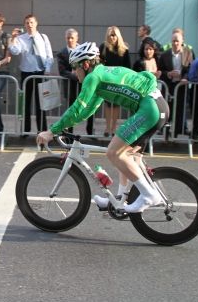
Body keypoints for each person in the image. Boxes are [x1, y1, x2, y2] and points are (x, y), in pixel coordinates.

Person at [36, 42, 168, 214]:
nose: (75, 72)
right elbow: (85, 112)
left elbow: (77, 108)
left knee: (113, 153)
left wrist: (51, 131)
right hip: (157, 106)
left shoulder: (93, 78)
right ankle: (120, 201)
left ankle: (149, 194)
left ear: (85, 64)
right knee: (127, 157)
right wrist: (64, 126)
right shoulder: (100, 76)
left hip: (150, 109)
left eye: (75, 68)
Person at [8, 14, 53, 134]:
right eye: (27, 23)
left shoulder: (43, 37)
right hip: (26, 74)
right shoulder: (21, 38)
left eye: (32, 22)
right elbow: (15, 51)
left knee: (41, 104)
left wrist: (47, 68)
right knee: (25, 104)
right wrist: (13, 38)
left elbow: (49, 55)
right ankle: (25, 130)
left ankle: (42, 130)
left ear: (36, 23)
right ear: (24, 25)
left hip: (40, 73)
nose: (29, 25)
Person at [56, 28, 93, 135]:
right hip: (70, 86)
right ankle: (70, 133)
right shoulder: (62, 53)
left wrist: (83, 75)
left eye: (72, 38)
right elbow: (62, 71)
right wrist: (76, 75)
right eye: (68, 38)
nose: (70, 40)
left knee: (88, 106)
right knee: (71, 110)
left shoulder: (85, 50)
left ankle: (90, 132)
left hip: (85, 85)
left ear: (77, 38)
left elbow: (90, 66)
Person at [159, 29, 194, 137]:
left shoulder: (188, 53)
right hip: (168, 85)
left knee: (181, 107)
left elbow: (191, 69)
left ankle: (179, 130)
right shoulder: (165, 55)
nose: (175, 43)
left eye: (177, 41)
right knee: (167, 108)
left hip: (182, 85)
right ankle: (165, 129)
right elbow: (160, 70)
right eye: (173, 41)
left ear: (182, 41)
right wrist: (168, 74)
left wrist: (185, 77)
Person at [99, 26, 132, 138]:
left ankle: (114, 128)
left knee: (116, 105)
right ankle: (107, 127)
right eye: (110, 35)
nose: (112, 37)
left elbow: (128, 67)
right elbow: (100, 64)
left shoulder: (124, 49)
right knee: (108, 105)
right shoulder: (103, 47)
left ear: (118, 36)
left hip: (119, 82)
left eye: (114, 35)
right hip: (107, 81)